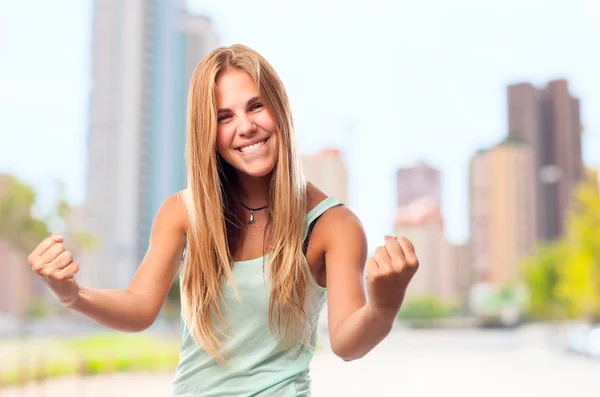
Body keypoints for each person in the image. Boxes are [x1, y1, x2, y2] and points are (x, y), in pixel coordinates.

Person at [26, 44, 419, 396]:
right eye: (224, 116)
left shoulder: (333, 225)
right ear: (207, 133)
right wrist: (72, 295)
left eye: (255, 106)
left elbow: (347, 343)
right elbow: (139, 307)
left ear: (279, 109)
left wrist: (383, 307)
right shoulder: (183, 212)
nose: (245, 127)